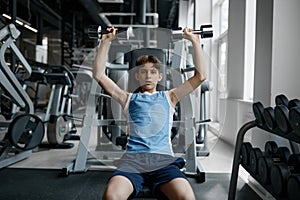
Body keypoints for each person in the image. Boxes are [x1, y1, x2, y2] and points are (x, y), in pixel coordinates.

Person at [93, 27, 206, 200]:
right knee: (111, 197)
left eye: (153, 72)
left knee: (187, 198)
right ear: (137, 76)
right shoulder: (127, 98)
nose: (148, 76)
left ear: (160, 77)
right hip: (133, 161)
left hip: (163, 162)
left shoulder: (170, 97)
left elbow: (201, 76)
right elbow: (99, 74)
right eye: (143, 72)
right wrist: (106, 41)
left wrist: (195, 42)